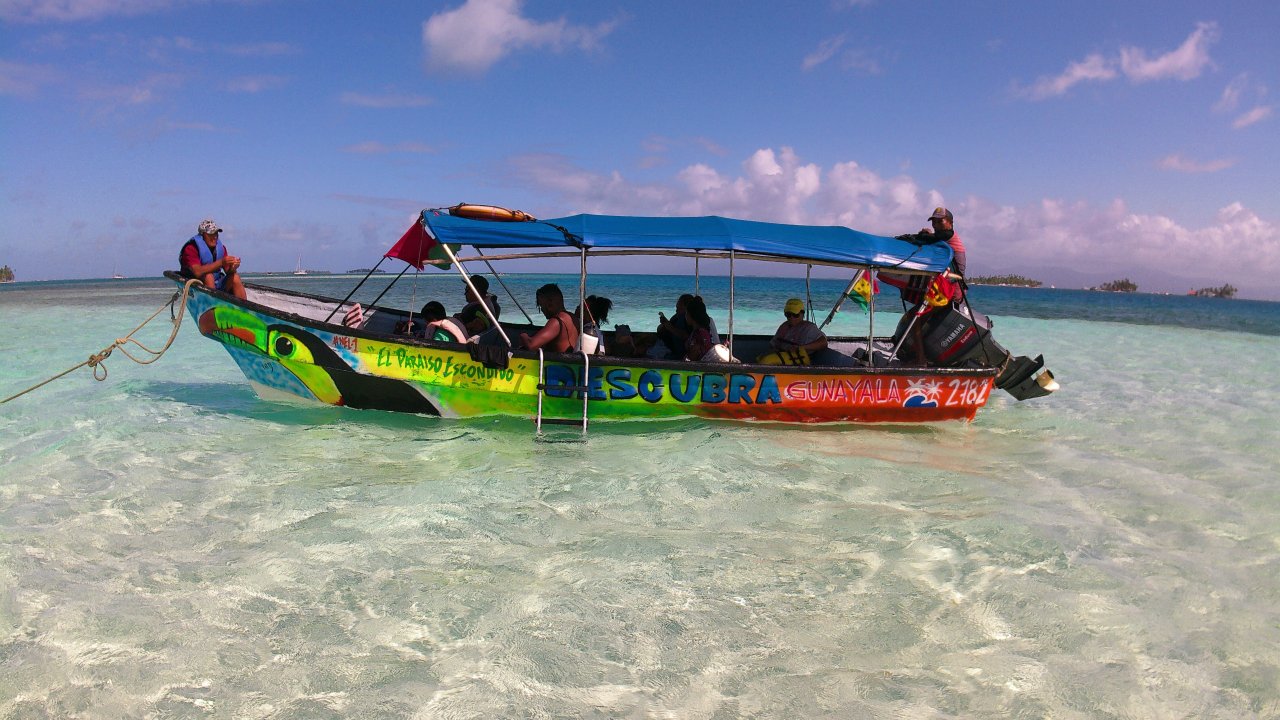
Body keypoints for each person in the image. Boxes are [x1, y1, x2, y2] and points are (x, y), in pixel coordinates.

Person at [179, 218, 246, 299]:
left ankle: (244, 306)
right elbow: (197, 272)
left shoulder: (221, 248)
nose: (215, 237)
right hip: (200, 284)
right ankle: (211, 304)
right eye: (211, 234)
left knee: (235, 277)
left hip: (217, 284)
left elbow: (228, 271)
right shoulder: (191, 248)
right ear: (203, 235)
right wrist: (221, 262)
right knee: (209, 277)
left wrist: (233, 267)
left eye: (216, 234)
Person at [758, 298, 828, 364]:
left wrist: (802, 347)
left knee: (766, 361)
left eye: (795, 315)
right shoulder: (784, 326)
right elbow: (774, 344)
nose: (791, 317)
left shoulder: (809, 328)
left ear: (802, 314)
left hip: (798, 360)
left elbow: (823, 343)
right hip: (782, 355)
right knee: (761, 358)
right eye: (788, 314)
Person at [519, 283, 577, 353]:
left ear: (549, 304)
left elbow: (531, 345)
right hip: (568, 358)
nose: (542, 310)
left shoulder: (557, 321)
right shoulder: (573, 318)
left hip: (556, 360)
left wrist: (523, 335)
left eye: (541, 305)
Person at [917, 207, 966, 277]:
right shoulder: (941, 236)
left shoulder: (948, 234)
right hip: (948, 272)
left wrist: (924, 234)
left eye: (940, 221)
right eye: (934, 222)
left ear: (950, 223)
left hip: (956, 277)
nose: (936, 225)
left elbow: (927, 238)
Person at [682, 296, 715, 361]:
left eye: (686, 313)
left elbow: (692, 358)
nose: (685, 316)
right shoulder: (698, 331)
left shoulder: (699, 334)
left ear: (691, 315)